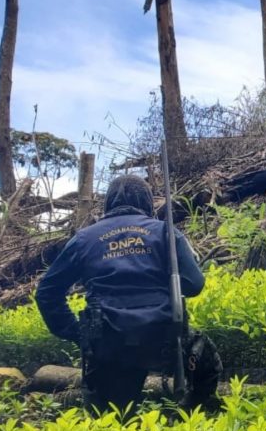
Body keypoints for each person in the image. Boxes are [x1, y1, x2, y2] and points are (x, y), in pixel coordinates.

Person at [35, 175, 222, 415]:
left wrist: (78, 333)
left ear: (108, 204)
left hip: (106, 343)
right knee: (207, 363)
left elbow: (47, 292)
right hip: (164, 339)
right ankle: (187, 417)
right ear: (146, 202)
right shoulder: (165, 232)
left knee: (111, 421)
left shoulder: (84, 239)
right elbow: (194, 285)